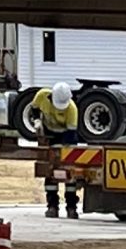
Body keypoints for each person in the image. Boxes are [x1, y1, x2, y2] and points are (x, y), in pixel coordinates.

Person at [26, 80, 87, 219]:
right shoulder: (42, 95)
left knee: (68, 172)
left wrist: (62, 151)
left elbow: (70, 135)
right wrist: (37, 121)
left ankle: (71, 208)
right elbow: (34, 109)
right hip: (48, 135)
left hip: (65, 136)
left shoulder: (72, 110)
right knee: (50, 172)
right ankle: (52, 206)